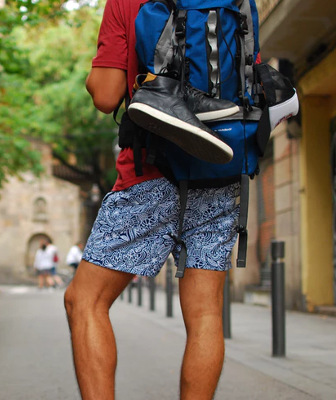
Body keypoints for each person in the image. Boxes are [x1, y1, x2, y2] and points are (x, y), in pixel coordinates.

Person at [63, 1, 241, 399]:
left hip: (151, 169)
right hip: (220, 167)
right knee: (205, 313)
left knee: (85, 300)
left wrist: (97, 77)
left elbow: (106, 95)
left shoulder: (126, 2)